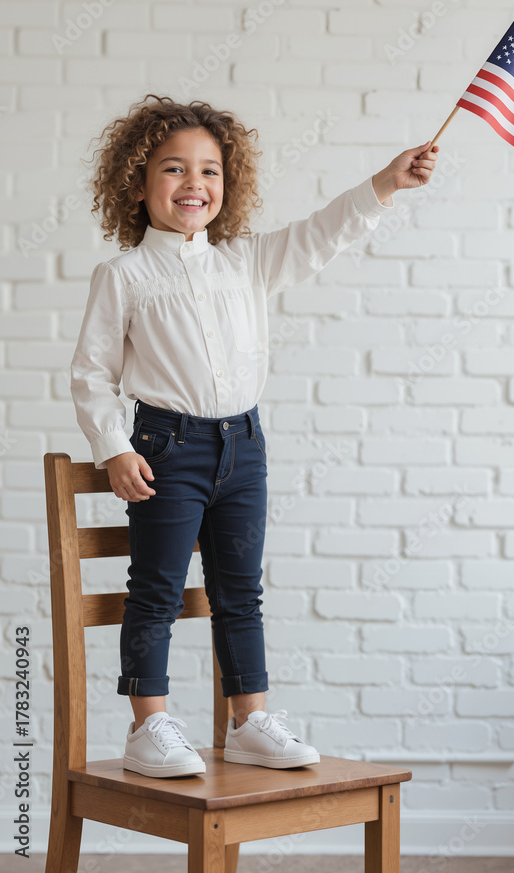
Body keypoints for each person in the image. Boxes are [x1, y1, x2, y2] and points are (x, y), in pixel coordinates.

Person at [69, 92, 440, 778]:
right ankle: (149, 725)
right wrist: (114, 447)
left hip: (244, 448)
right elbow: (92, 373)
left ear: (227, 184)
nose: (194, 183)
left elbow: (322, 232)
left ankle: (248, 721)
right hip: (165, 451)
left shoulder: (246, 261)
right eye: (174, 168)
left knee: (240, 592)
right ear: (137, 182)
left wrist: (386, 183)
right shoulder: (123, 276)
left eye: (209, 171)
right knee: (156, 589)